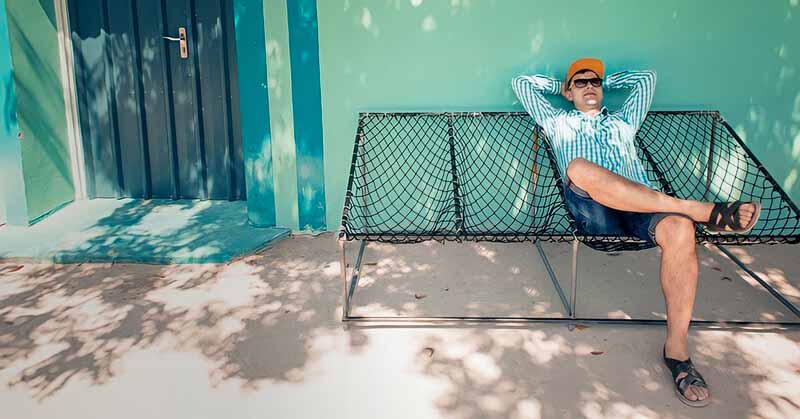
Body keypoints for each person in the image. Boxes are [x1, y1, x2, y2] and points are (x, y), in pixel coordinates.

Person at [512, 57, 762, 407]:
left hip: (642, 210)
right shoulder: (557, 121)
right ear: (568, 92)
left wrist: (603, 80)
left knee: (678, 228)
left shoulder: (624, 122)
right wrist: (563, 86)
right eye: (580, 83)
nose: (589, 86)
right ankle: (701, 210)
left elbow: (647, 78)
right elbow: (522, 84)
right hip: (595, 214)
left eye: (594, 82)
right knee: (580, 168)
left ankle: (676, 352)